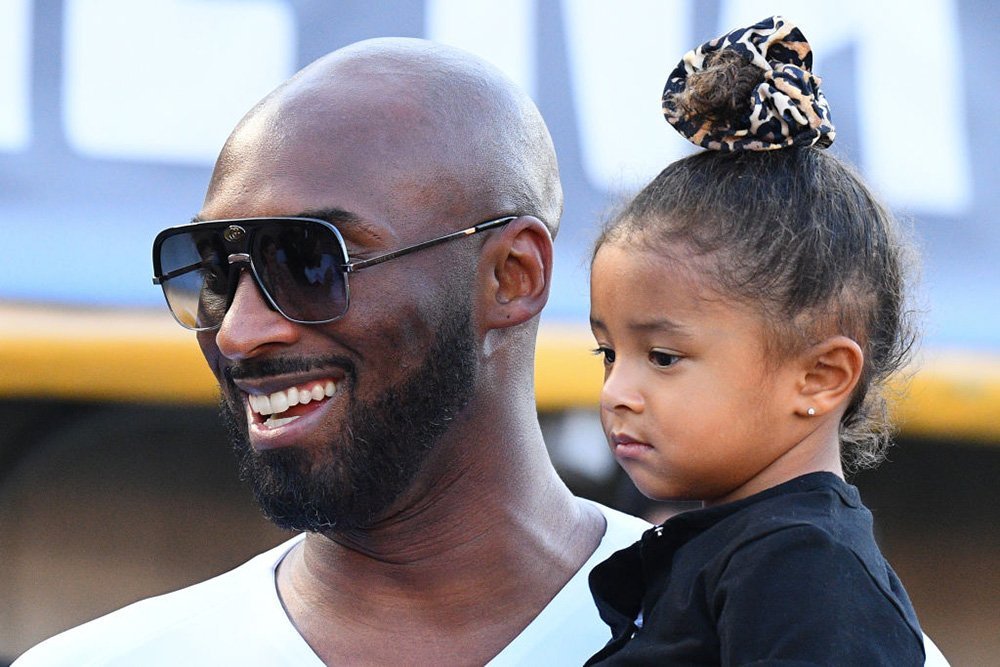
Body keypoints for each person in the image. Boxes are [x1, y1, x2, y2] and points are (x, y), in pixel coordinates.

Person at [14, 38, 648, 665]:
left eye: (307, 261)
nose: (238, 333)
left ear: (512, 276)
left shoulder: (720, 626)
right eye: (212, 270)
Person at [584, 17, 934, 665]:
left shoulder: (808, 572)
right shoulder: (738, 551)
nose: (616, 392)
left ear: (820, 377)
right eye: (609, 353)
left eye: (662, 356)